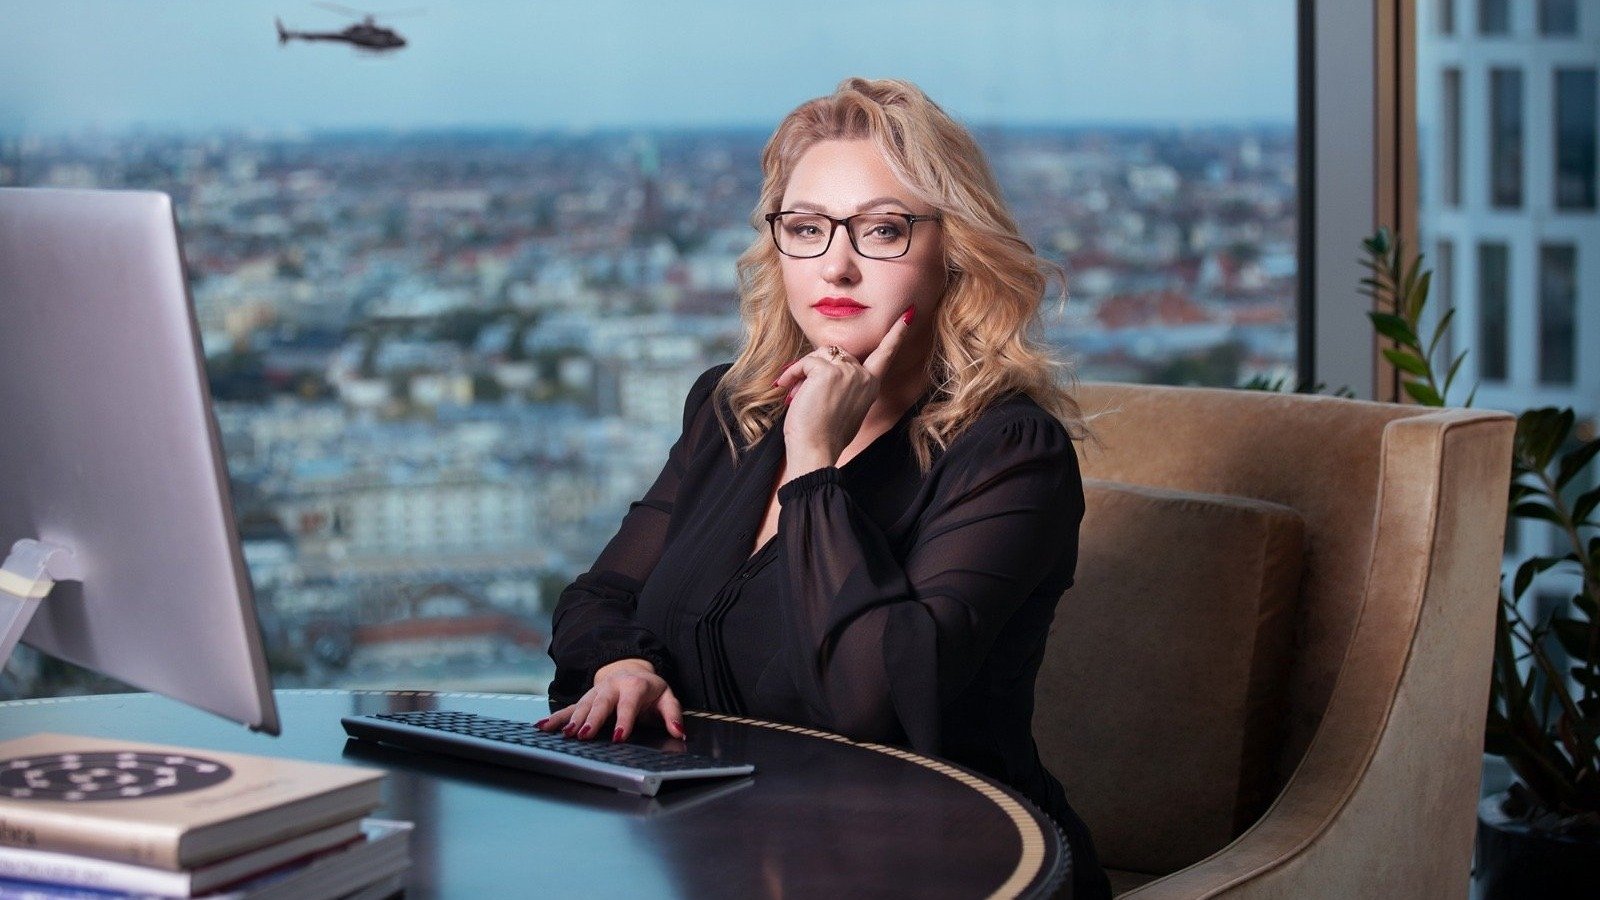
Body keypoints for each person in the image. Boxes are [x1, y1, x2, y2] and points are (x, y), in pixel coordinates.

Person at [541, 77, 1111, 898]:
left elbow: (871, 707)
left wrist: (814, 464)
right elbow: (599, 596)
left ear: (954, 248)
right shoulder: (730, 407)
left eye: (882, 230)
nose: (836, 264)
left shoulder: (1011, 453)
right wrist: (622, 663)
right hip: (729, 857)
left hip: (952, 870)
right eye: (806, 228)